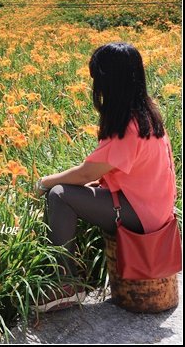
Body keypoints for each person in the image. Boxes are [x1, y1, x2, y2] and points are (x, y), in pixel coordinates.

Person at [31, 42, 177, 313]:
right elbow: (111, 170)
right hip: (154, 209)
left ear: (111, 83)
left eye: (97, 78)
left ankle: (64, 285)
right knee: (72, 189)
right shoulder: (146, 114)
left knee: (60, 196)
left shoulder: (128, 127)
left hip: (141, 215)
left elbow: (87, 172)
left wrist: (42, 183)